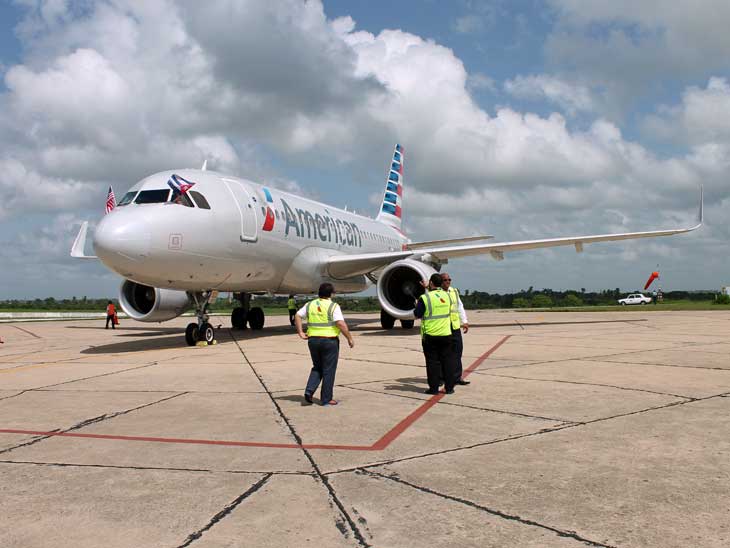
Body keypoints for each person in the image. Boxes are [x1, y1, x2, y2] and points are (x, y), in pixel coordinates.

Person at [295, 283, 354, 406]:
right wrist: (349, 338)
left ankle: (309, 391)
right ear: (331, 294)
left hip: (313, 340)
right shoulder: (333, 306)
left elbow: (298, 315)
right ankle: (326, 398)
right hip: (329, 341)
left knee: (317, 367)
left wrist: (300, 332)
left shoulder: (310, 304)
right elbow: (340, 324)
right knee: (328, 370)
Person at [413, 273, 456, 395]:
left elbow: (417, 314)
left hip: (430, 335)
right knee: (447, 361)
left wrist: (417, 305)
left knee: (432, 363)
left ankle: (434, 388)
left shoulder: (425, 298)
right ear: (441, 283)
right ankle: (449, 388)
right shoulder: (447, 296)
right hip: (446, 334)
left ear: (431, 283)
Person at [441, 272, 470, 386]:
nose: (448, 282)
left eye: (449, 279)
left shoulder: (454, 291)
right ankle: (443, 377)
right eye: (445, 280)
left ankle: (457, 377)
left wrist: (465, 321)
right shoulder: (437, 293)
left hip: (455, 327)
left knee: (457, 352)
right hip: (443, 328)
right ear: (440, 282)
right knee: (444, 354)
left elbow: (459, 306)